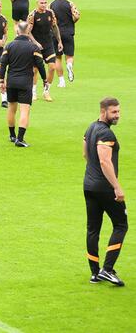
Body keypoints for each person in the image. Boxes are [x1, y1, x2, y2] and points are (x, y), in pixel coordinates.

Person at [83, 97, 126, 286]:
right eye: (114, 112)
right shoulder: (106, 134)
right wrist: (116, 187)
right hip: (105, 188)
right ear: (104, 112)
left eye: (118, 111)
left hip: (89, 185)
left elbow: (86, 154)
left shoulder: (91, 128)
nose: (117, 115)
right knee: (121, 225)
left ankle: (94, 273)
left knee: (93, 229)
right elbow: (104, 160)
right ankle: (107, 270)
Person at [0, 21, 47, 147]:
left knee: (11, 108)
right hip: (25, 83)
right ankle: (20, 139)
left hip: (11, 82)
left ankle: (12, 135)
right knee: (24, 110)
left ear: (18, 31)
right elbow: (40, 65)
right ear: (28, 31)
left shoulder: (9, 46)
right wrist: (45, 79)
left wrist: (1, 81)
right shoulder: (33, 48)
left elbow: (3, 64)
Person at [26, 0, 63, 102]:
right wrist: (35, 43)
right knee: (35, 69)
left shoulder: (50, 13)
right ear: (37, 3)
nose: (44, 5)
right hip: (35, 46)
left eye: (45, 3)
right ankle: (33, 92)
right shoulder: (32, 15)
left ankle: (46, 91)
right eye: (41, 3)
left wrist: (59, 41)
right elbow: (28, 31)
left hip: (48, 44)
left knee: (52, 67)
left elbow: (55, 27)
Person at [50, 0, 81, 87]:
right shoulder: (70, 3)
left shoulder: (51, 5)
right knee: (69, 56)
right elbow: (77, 15)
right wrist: (72, 22)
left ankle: (61, 81)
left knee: (58, 58)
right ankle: (69, 65)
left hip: (56, 34)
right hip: (68, 32)